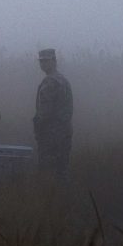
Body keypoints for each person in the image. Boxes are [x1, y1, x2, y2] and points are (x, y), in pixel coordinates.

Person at [34, 48, 74, 180]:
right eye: (41, 61)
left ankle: (50, 193)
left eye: (46, 61)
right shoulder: (63, 80)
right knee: (62, 171)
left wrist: (38, 127)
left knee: (47, 173)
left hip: (51, 135)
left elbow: (44, 112)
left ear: (54, 61)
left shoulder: (50, 82)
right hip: (64, 132)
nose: (43, 64)